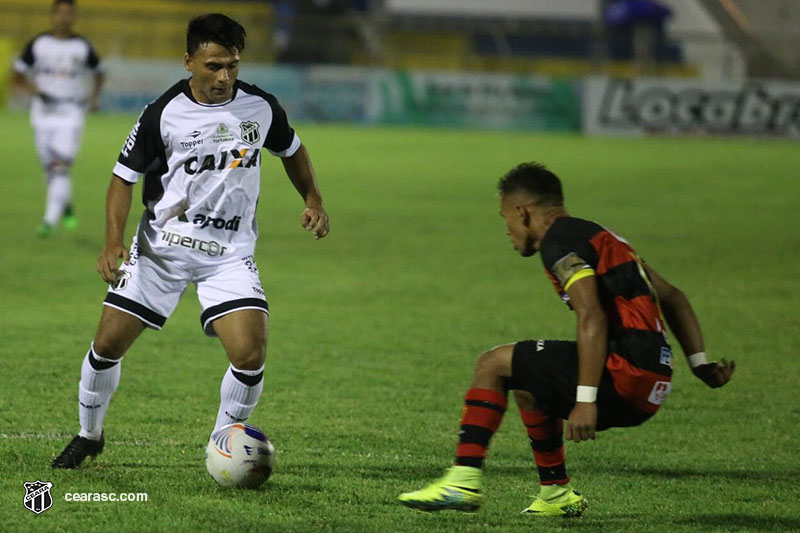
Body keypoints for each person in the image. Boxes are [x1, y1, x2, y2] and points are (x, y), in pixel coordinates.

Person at [52, 13, 329, 469]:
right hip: (161, 251)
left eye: (232, 66)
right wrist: (112, 242)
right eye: (214, 66)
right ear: (188, 62)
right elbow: (123, 178)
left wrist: (314, 198)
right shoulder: (162, 112)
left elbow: (292, 149)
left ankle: (223, 443)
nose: (224, 77)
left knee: (250, 353)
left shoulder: (261, 107)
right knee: (106, 347)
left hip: (229, 255)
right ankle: (89, 433)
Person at [398, 162, 734, 516]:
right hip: (653, 380)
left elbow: (592, 316)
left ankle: (462, 481)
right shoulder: (599, 237)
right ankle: (556, 494)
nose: (507, 230)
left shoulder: (559, 243)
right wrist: (700, 364)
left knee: (492, 364)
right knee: (528, 380)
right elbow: (673, 296)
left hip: (625, 373)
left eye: (504, 218)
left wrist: (585, 399)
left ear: (522, 212)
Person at [12, 0, 105, 237]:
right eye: (59, 13)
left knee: (60, 167)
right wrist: (33, 91)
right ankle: (65, 204)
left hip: (71, 112)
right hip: (42, 112)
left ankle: (49, 221)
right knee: (50, 168)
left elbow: (99, 71)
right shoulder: (38, 43)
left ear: (73, 16)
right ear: (52, 16)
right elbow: (18, 73)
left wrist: (94, 97)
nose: (63, 18)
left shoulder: (81, 46)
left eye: (68, 13)